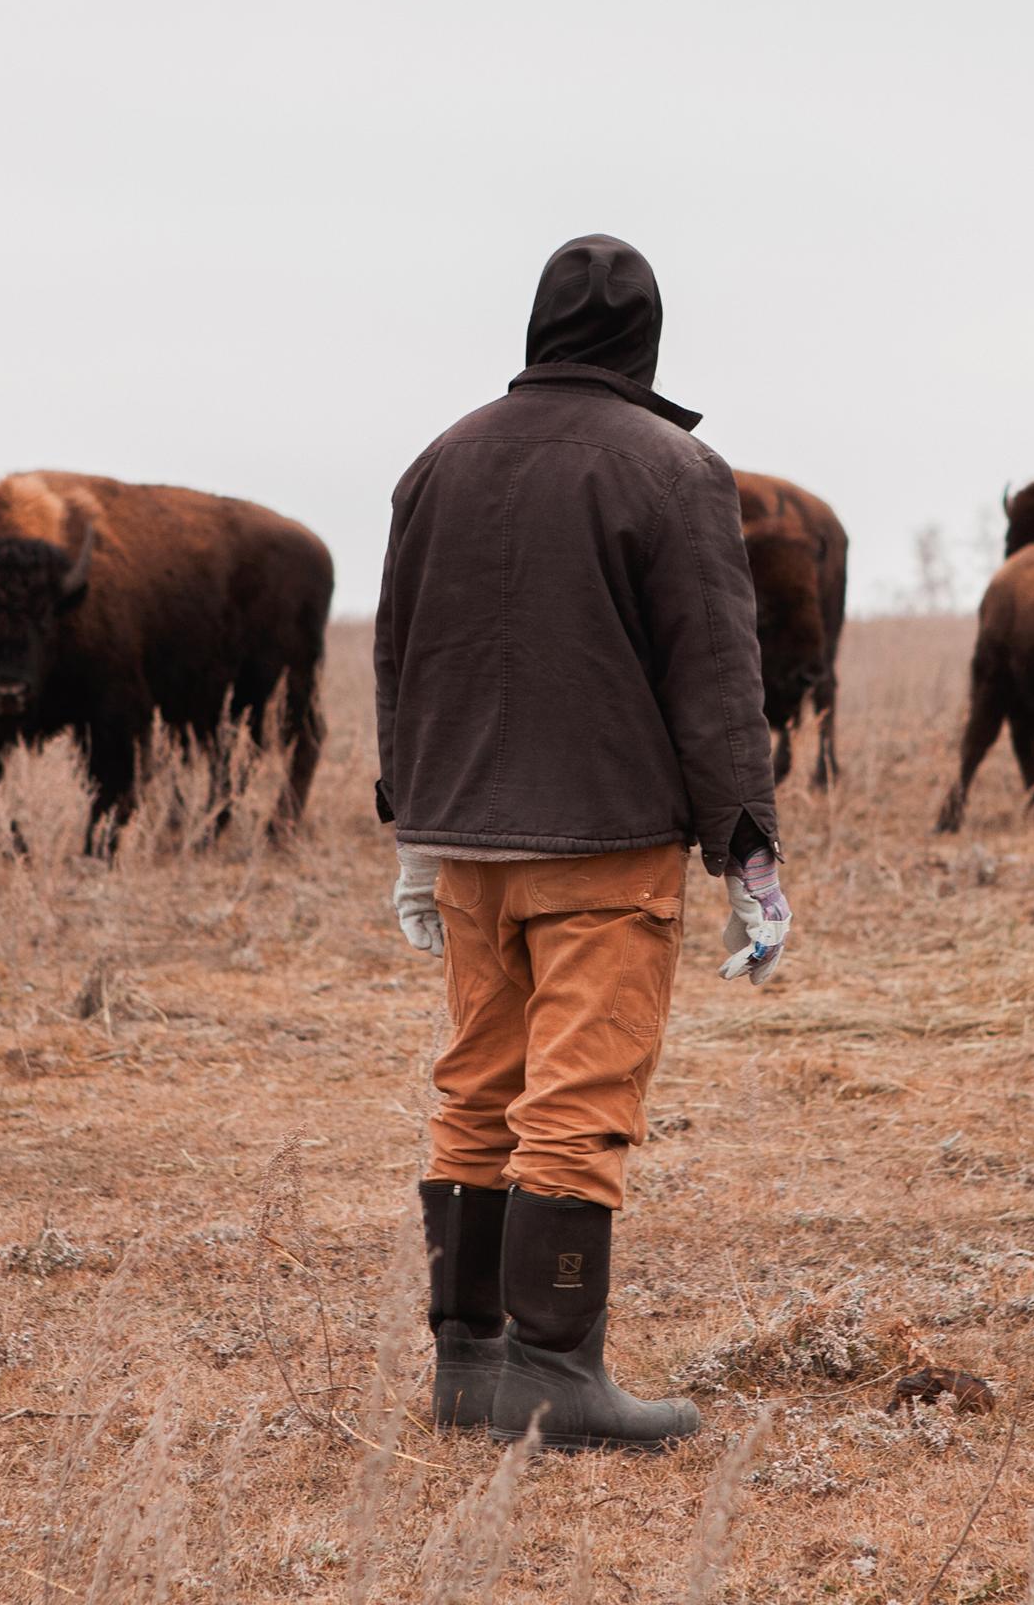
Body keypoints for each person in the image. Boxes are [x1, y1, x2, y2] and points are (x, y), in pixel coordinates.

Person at [374, 234, 794, 1452]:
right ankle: (556, 1372)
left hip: (462, 842)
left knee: (475, 1083)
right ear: (643, 342)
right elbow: (717, 679)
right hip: (604, 838)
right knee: (577, 1096)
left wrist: (413, 825)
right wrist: (750, 860)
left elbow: (399, 650)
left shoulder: (435, 461)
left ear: (536, 328)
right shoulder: (675, 469)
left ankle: (469, 1366)